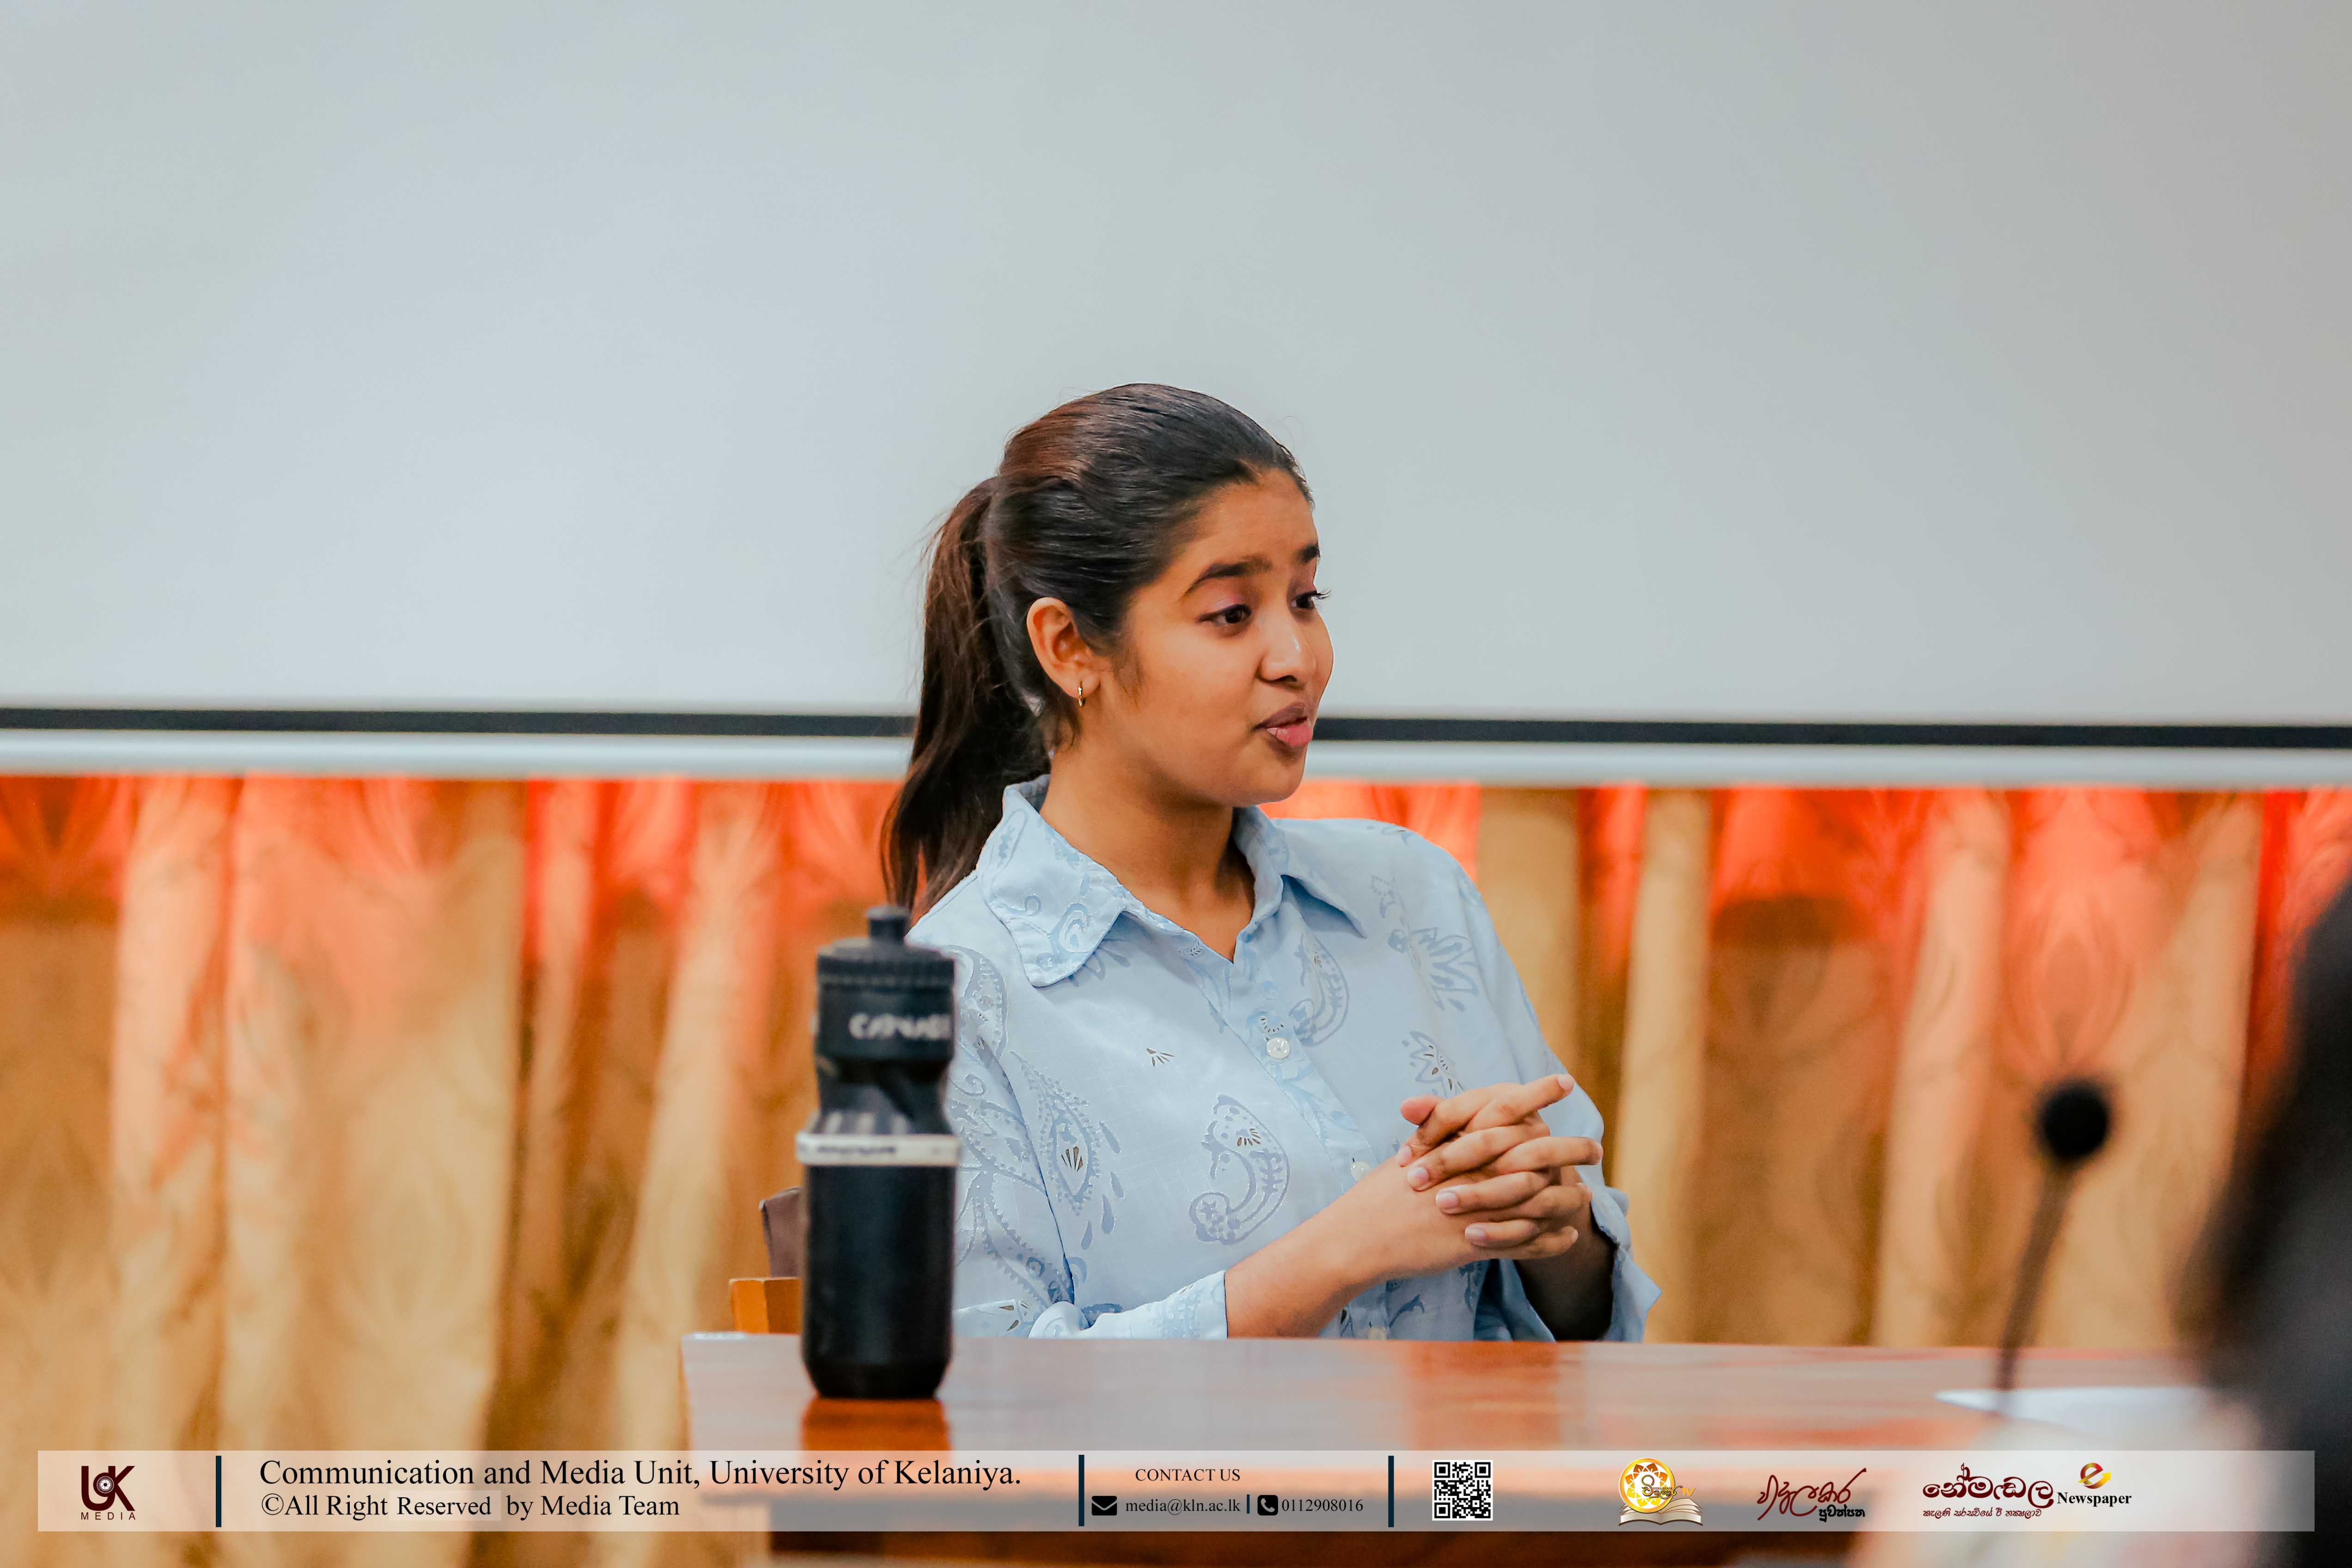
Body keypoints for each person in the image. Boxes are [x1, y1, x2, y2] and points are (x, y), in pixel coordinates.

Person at [886, 383, 1657, 1342]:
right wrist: (1337, 1254)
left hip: (1465, 1453)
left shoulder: (1409, 893)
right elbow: (987, 1393)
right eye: (1229, 613)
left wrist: (1552, 1227)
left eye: (1305, 598)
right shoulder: (957, 992)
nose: (1298, 657)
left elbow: (1586, 1324)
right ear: (1070, 644)